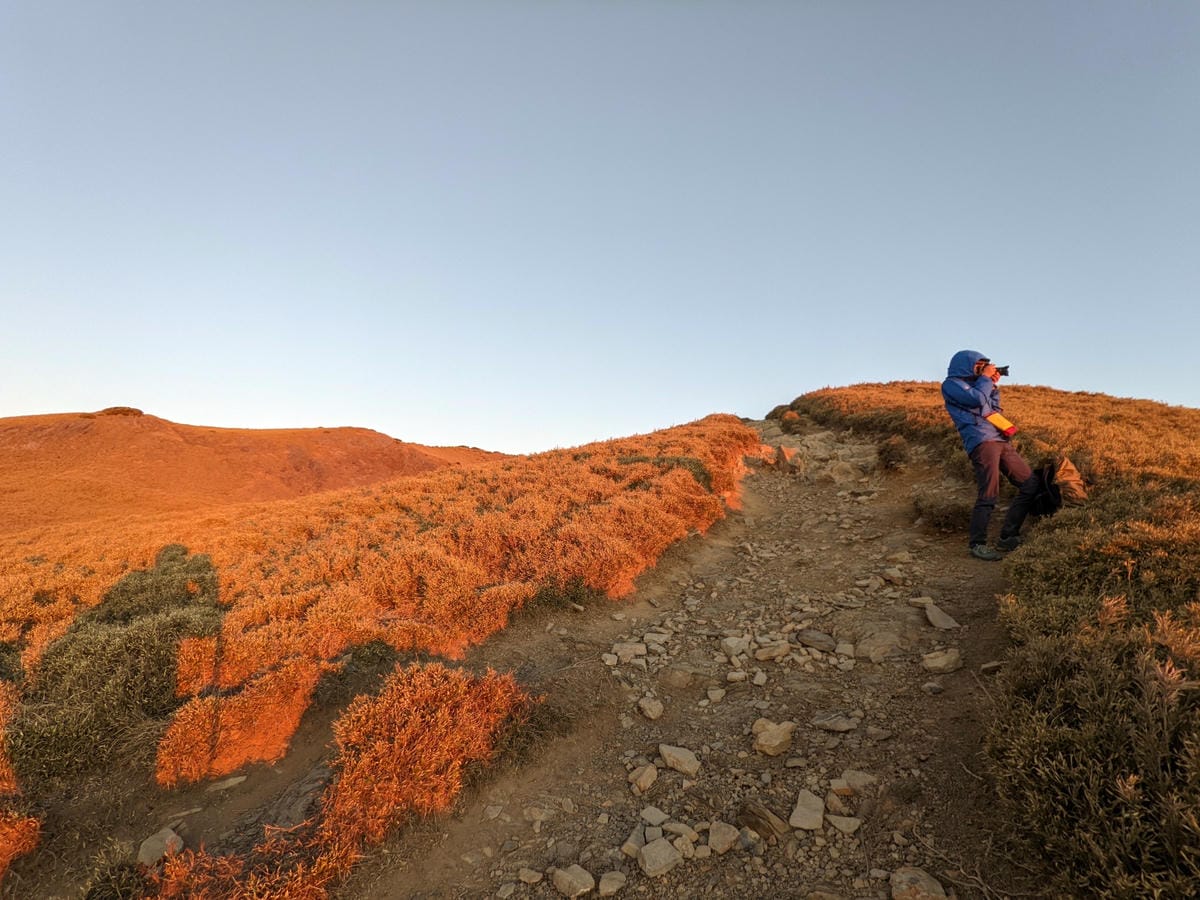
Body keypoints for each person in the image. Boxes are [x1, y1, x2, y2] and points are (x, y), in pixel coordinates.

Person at [941, 350, 1040, 561]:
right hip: (981, 441)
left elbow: (992, 408)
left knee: (1029, 484)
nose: (982, 368)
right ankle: (977, 543)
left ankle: (1008, 535)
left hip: (999, 439)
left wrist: (993, 385)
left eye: (984, 366)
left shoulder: (981, 385)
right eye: (979, 365)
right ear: (966, 365)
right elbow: (975, 400)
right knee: (989, 492)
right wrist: (985, 379)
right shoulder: (952, 384)